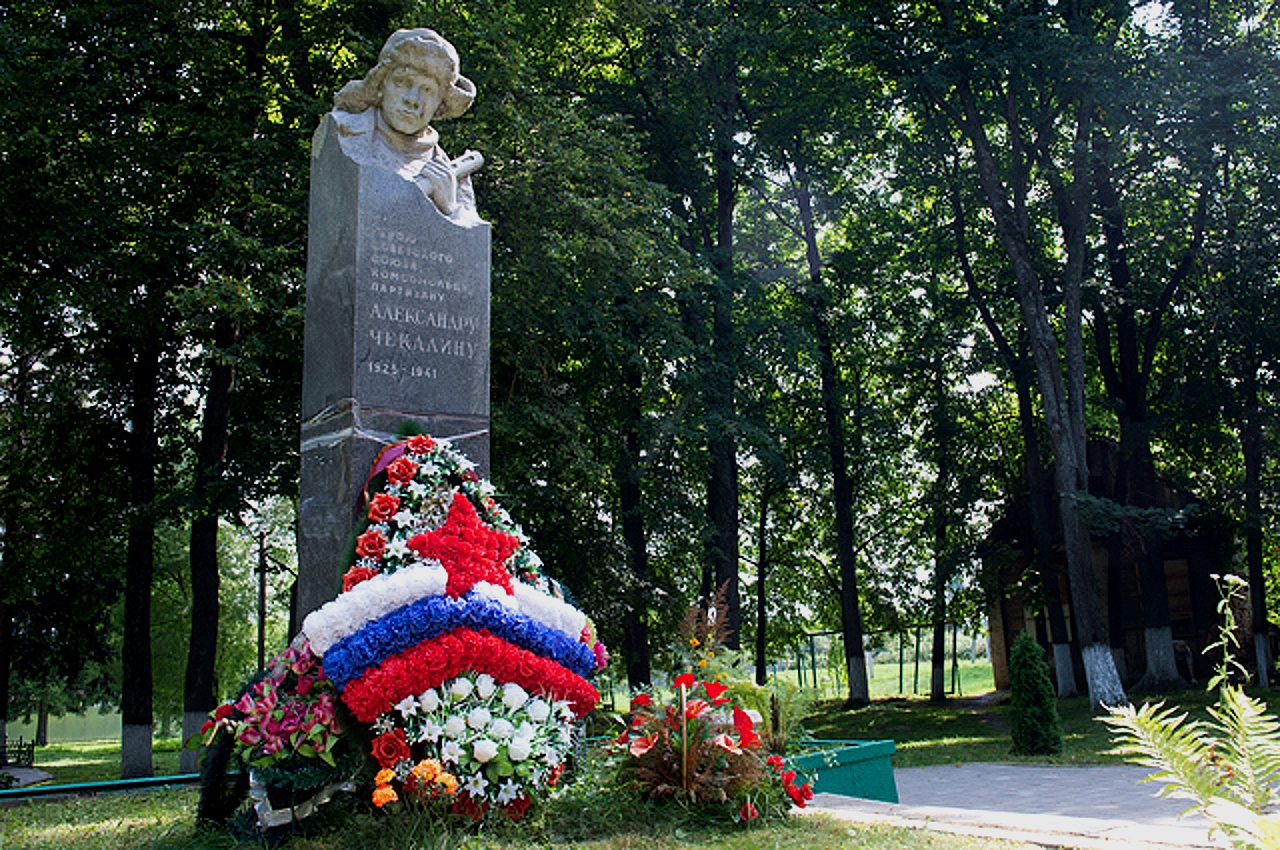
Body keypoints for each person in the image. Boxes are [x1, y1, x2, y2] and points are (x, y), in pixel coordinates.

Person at [331, 29, 483, 222]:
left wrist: (450, 208)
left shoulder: (449, 171)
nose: (413, 99)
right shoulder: (346, 134)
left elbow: (472, 240)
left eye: (427, 90)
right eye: (402, 82)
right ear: (380, 86)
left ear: (440, 106)